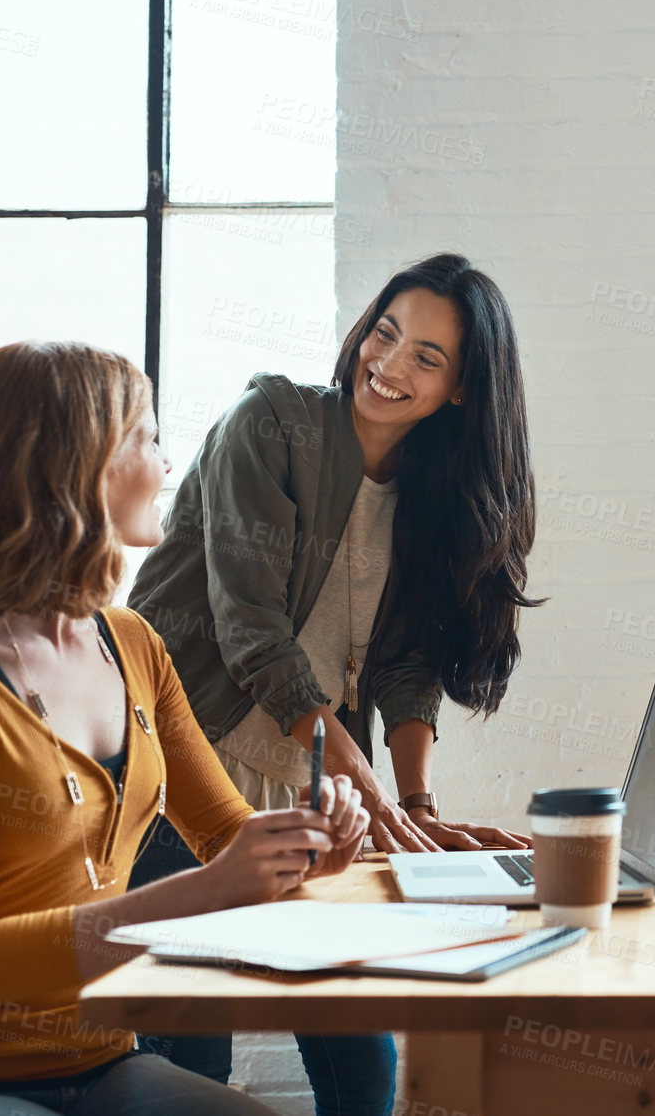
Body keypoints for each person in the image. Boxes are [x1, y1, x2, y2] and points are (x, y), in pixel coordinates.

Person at [0, 342, 370, 1116]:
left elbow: (227, 839)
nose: (169, 465)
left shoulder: (132, 643)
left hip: (97, 1060)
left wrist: (310, 845)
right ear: (75, 464)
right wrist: (206, 890)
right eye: (150, 438)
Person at [125, 253, 543, 1112]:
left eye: (427, 357)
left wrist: (416, 807)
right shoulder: (270, 425)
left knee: (361, 1060)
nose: (388, 366)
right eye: (385, 334)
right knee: (193, 1059)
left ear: (462, 389)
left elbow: (405, 663)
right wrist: (375, 799)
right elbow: (253, 635)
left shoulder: (428, 492)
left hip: (311, 786)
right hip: (182, 775)